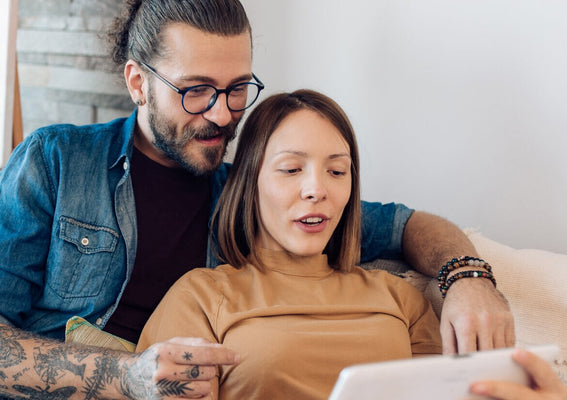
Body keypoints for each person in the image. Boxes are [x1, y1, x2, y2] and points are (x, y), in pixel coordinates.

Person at [0, 0, 512, 398]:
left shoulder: (253, 196)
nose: (223, 114)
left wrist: (468, 277)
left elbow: (405, 226)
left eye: (237, 88)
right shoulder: (56, 162)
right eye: (197, 90)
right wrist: (130, 376)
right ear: (138, 83)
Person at [136, 89, 444, 399]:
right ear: (250, 181)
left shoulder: (401, 300)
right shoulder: (200, 297)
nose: (316, 190)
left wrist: (465, 277)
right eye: (291, 169)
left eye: (337, 171)